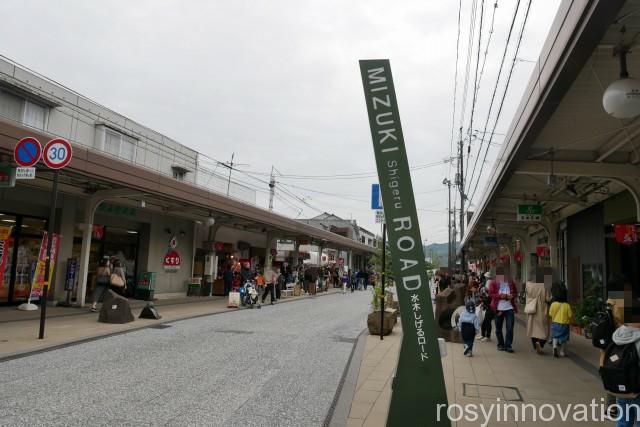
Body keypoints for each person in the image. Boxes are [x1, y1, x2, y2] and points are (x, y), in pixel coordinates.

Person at [489, 272, 518, 353]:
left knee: (510, 328)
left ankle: (508, 345)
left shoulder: (511, 282)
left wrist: (512, 295)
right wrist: (500, 296)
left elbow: (515, 293)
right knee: (498, 328)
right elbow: (490, 294)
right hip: (498, 308)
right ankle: (500, 344)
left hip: (509, 308)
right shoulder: (494, 283)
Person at [526, 280, 552, 355]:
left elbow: (527, 297)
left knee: (533, 329)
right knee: (545, 330)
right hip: (542, 309)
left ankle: (535, 345)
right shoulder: (545, 285)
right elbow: (548, 298)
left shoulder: (529, 285)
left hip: (532, 308)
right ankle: (540, 343)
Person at [549, 289, 573, 358]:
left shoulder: (553, 304)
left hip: (555, 323)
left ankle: (554, 347)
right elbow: (570, 315)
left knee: (555, 336)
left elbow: (550, 314)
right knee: (564, 338)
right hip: (565, 324)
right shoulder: (567, 305)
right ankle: (562, 352)